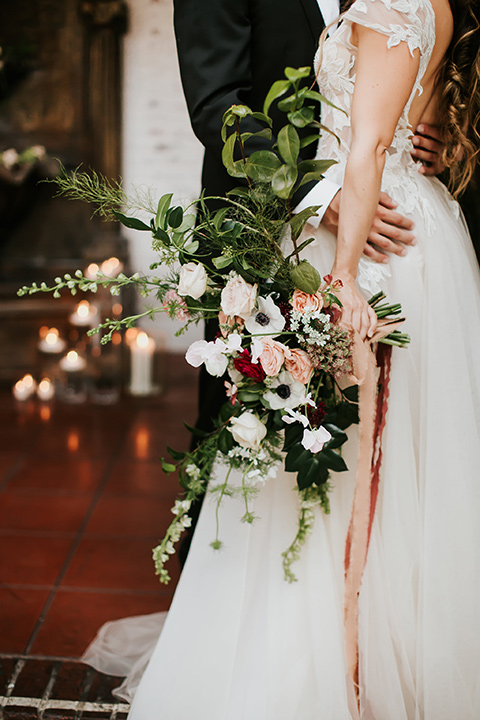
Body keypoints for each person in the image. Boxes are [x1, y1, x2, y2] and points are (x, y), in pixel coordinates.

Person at [121, 0, 480, 716]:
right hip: (275, 226)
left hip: (383, 242)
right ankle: (252, 639)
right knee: (257, 447)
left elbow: (386, 108)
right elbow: (219, 101)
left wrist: (425, 134)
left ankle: (368, 653)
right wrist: (322, 194)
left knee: (380, 453)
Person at [174, 0, 445, 565]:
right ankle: (225, 601)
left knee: (382, 430)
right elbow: (219, 105)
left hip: (383, 227)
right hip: (260, 225)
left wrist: (434, 123)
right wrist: (315, 197)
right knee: (243, 425)